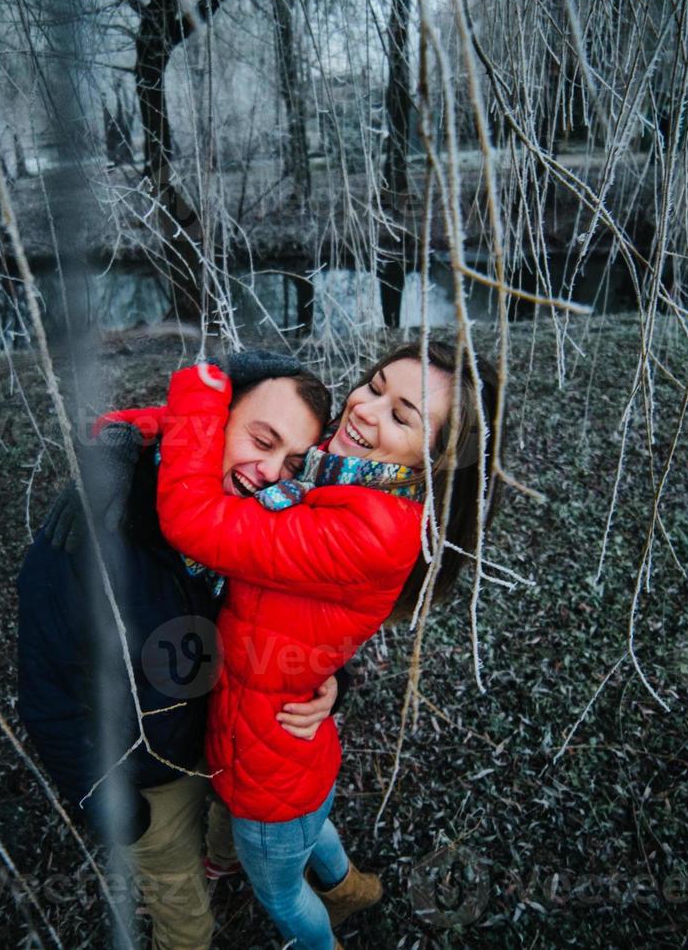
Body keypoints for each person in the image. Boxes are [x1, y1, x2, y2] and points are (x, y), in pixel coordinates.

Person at [128, 342, 501, 950]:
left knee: (278, 891)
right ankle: (348, 886)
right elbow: (245, 442)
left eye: (402, 415)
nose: (365, 408)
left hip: (267, 764)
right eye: (376, 384)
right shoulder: (348, 471)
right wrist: (137, 430)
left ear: (437, 459)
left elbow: (194, 520)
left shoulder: (368, 529)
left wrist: (200, 385)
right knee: (311, 825)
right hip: (290, 746)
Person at [15, 353, 344, 950]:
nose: (270, 472)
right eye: (262, 440)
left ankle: (223, 863)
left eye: (291, 462)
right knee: (183, 920)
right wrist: (111, 807)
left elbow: (312, 619)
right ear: (208, 421)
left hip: (227, 743)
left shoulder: (263, 526)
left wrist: (335, 683)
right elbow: (47, 700)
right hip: (145, 777)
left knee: (225, 840)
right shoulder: (88, 539)